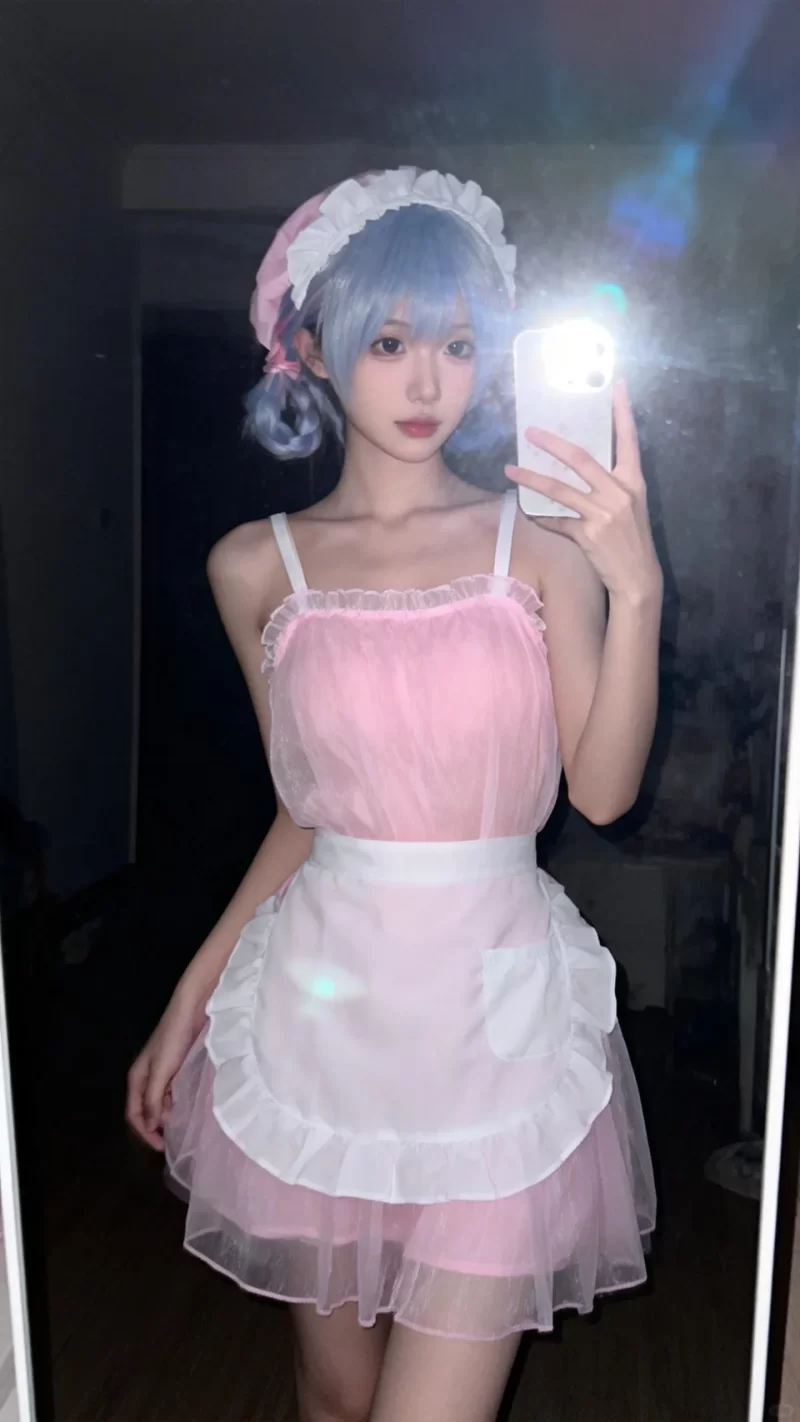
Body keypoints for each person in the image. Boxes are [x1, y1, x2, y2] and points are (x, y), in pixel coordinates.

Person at [126, 168, 662, 1422]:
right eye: (389, 342)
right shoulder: (255, 565)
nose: (429, 383)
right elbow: (303, 811)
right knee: (333, 1398)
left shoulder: (537, 543)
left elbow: (600, 794)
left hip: (492, 1025)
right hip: (320, 1014)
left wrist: (634, 588)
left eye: (459, 345)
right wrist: (188, 997)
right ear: (311, 350)